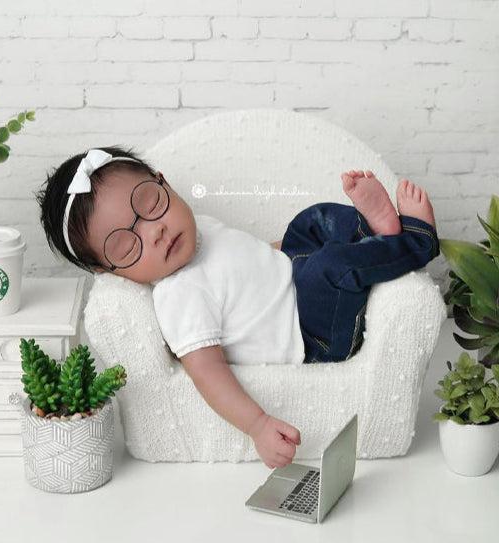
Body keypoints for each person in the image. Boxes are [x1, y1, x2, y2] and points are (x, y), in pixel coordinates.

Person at [36, 146, 439, 469]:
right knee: (329, 268)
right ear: (112, 271)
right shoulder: (179, 296)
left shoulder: (199, 229)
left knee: (309, 223)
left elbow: (251, 263)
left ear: (164, 183)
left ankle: (374, 231)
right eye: (127, 245)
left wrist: (290, 252)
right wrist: (257, 425)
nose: (155, 231)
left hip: (294, 279)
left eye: (150, 203)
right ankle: (416, 241)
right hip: (311, 333)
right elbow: (208, 373)